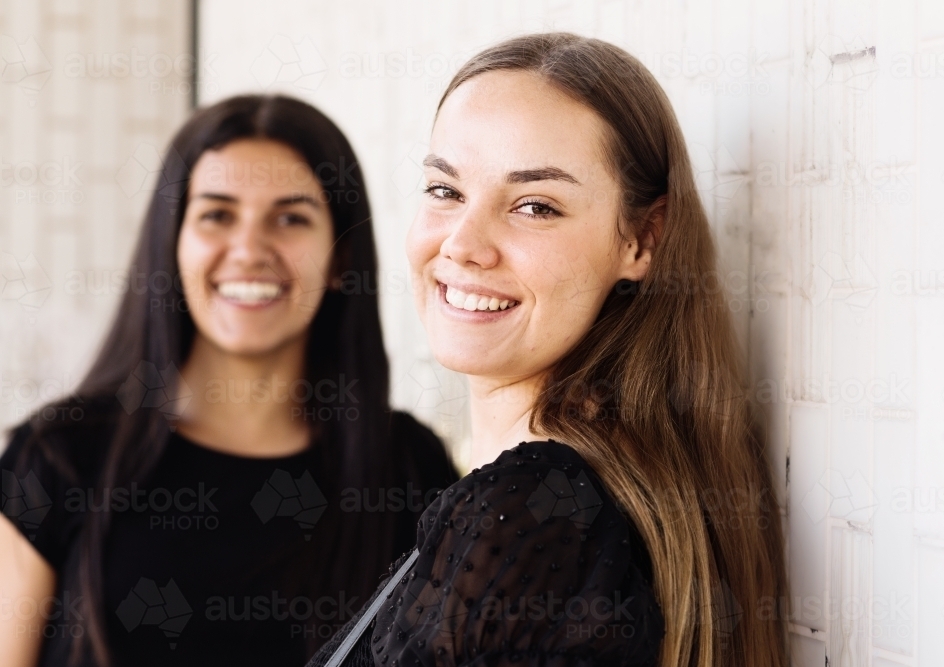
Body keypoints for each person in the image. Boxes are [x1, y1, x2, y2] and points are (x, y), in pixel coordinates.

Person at [305, 33, 788, 667]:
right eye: (445, 191)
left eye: (535, 205)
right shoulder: (568, 495)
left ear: (642, 239)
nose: (463, 244)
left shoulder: (534, 510)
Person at [0, 95, 457, 667]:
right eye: (217, 214)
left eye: (290, 218)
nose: (249, 250)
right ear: (172, 246)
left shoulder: (409, 469)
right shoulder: (57, 456)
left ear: (342, 259)